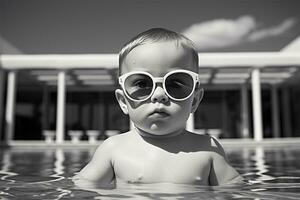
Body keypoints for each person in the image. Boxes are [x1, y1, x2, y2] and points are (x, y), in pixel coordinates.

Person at [74, 28, 243, 188]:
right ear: (124, 101)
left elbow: (235, 189)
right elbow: (81, 186)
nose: (159, 95)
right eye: (142, 84)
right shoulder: (113, 149)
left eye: (175, 84)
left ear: (194, 101)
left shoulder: (208, 148)